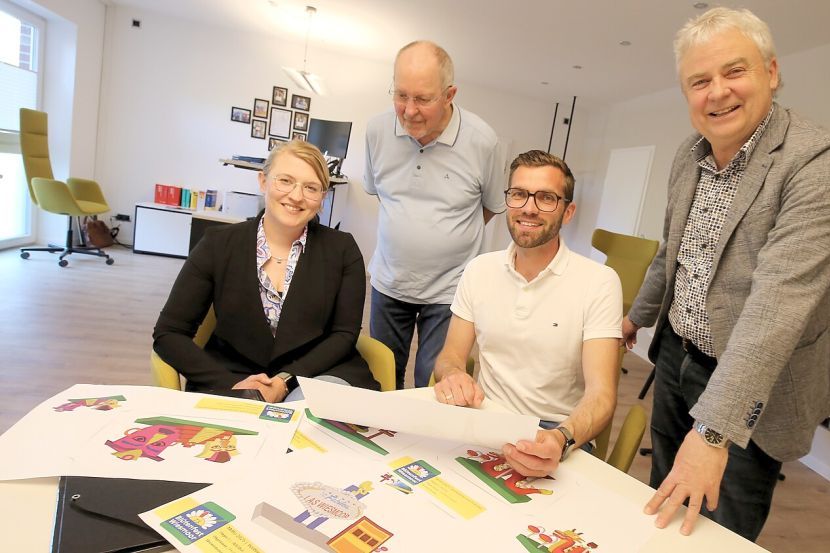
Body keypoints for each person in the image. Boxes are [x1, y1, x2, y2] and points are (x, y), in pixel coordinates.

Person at [621, 7, 830, 541]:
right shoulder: (689, 155)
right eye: (699, 81)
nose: (717, 93)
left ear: (770, 72)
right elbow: (672, 252)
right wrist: (635, 319)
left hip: (754, 384)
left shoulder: (818, 161)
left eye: (734, 71)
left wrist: (712, 432)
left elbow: (779, 307)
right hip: (678, 354)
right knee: (665, 500)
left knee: (719, 531)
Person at [433, 150, 622, 478]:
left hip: (554, 431)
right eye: (519, 194)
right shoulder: (479, 269)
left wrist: (560, 438)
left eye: (546, 198)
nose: (529, 208)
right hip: (484, 419)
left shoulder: (599, 282)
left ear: (568, 212)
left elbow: (602, 395)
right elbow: (450, 356)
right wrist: (453, 375)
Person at [153, 140, 378, 402]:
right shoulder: (217, 245)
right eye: (285, 180)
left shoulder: (343, 249)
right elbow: (169, 333)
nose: (296, 196)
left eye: (311, 188)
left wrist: (285, 380)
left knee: (308, 424)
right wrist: (235, 384)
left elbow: (344, 334)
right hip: (234, 376)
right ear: (263, 181)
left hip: (315, 374)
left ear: (322, 197)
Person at [363, 40, 506, 389]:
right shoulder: (377, 131)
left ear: (449, 94)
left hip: (450, 290)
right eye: (400, 95)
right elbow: (384, 196)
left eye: (423, 99)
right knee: (381, 379)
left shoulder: (483, 142)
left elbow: (489, 207)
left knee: (434, 383)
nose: (409, 111)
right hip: (389, 282)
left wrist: (446, 236)